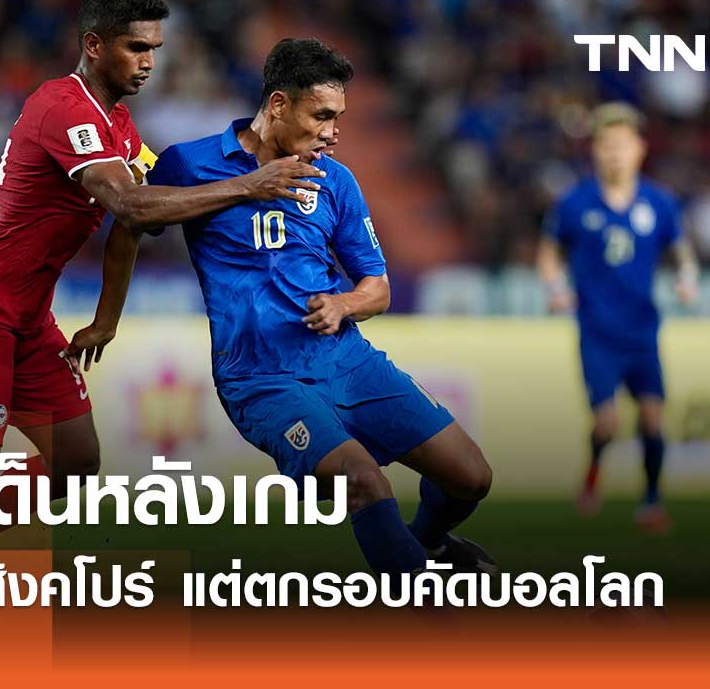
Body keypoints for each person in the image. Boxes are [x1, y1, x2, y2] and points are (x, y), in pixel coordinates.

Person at [0, 0, 323, 550]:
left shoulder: (122, 129)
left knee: (76, 461)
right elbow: (130, 203)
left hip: (28, 317)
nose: (149, 62)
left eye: (154, 48)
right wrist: (248, 186)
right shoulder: (62, 107)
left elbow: (147, 210)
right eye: (136, 47)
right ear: (94, 44)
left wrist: (106, 319)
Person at [148, 38, 495, 577]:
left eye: (339, 118)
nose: (333, 133)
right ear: (279, 104)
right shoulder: (189, 163)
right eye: (322, 116)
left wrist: (343, 304)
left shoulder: (335, 180)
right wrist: (106, 317)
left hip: (346, 360)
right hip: (261, 377)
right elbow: (134, 216)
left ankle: (424, 545)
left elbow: (377, 288)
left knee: (471, 476)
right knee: (363, 480)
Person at [537, 102, 699, 534]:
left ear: (639, 149)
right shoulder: (575, 203)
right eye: (607, 145)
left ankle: (651, 501)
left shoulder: (659, 202)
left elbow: (681, 249)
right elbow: (549, 252)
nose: (615, 154)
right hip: (598, 332)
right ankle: (594, 471)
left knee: (652, 418)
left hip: (642, 330)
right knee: (607, 423)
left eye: (623, 145)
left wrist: (686, 278)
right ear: (595, 150)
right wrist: (556, 288)